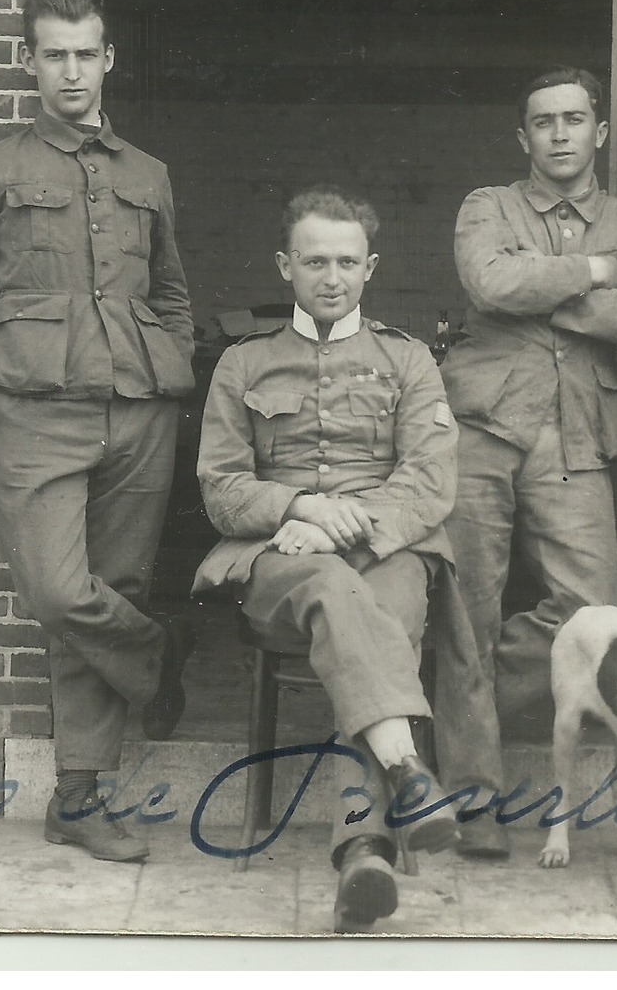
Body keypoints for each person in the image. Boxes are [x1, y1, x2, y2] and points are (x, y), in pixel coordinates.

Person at [0, 0, 196, 866]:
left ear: (107, 58)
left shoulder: (147, 174)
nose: (71, 71)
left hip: (138, 413)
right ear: (29, 61)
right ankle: (155, 652)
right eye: (54, 54)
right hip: (37, 411)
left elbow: (171, 294)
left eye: (86, 53)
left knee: (110, 579)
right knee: (57, 591)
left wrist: (170, 371)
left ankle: (78, 797)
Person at [193, 186, 505, 933]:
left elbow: (428, 481)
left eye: (344, 262)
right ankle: (405, 772)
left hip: (385, 546)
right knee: (339, 597)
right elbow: (221, 489)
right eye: (312, 262)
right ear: (284, 267)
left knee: (373, 623)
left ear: (369, 268)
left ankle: (362, 849)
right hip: (277, 558)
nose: (329, 277)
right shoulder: (243, 364)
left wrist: (342, 528)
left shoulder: (406, 361)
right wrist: (299, 509)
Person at [440, 66, 617, 766]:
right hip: (481, 426)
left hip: (576, 436)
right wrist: (596, 273)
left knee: (594, 614)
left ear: (598, 130)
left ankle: (439, 693)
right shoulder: (488, 205)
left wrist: (543, 288)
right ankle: (471, 792)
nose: (559, 133)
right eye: (544, 122)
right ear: (523, 137)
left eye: (573, 119)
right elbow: (489, 280)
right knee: (467, 608)